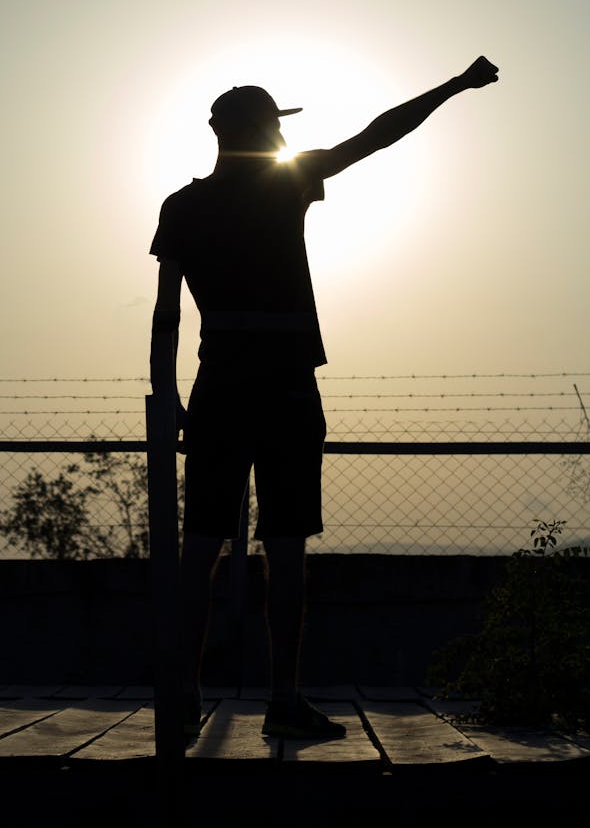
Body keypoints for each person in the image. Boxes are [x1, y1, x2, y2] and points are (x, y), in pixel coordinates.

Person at [149, 55, 499, 739]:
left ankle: (184, 695)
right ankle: (283, 699)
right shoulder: (289, 182)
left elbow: (166, 316)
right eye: (274, 126)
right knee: (283, 546)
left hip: (217, 388)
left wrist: (168, 396)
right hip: (283, 389)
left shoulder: (182, 206)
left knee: (201, 545)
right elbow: (377, 135)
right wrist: (454, 85)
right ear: (258, 129)